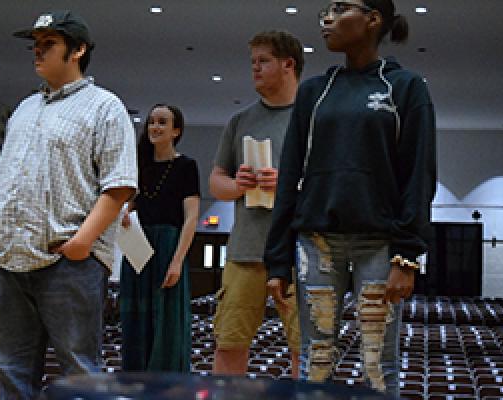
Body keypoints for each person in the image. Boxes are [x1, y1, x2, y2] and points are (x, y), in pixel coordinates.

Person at [264, 0, 436, 396]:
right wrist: (276, 259)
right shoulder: (313, 92)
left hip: (381, 244)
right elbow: (290, 174)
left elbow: (419, 173)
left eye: (340, 8)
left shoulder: (406, 87)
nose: (326, 17)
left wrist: (408, 254)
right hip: (316, 241)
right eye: (326, 9)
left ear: (373, 19)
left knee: (379, 363)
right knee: (315, 358)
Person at [0, 10, 137, 399]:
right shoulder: (22, 109)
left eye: (48, 43)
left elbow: (118, 187)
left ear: (78, 49)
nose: (37, 50)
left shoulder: (106, 107)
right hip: (10, 257)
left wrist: (82, 244)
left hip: (69, 261)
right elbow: (3, 177)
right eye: (35, 43)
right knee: (9, 367)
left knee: (79, 370)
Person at [210, 31, 304, 377]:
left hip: (299, 252)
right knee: (229, 343)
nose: (255, 69)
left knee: (304, 349)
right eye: (252, 62)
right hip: (245, 251)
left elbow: (332, 187)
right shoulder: (240, 121)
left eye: (263, 61)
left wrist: (291, 185)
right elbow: (216, 182)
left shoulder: (313, 119)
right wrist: (237, 185)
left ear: (288, 65)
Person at [120, 104, 200, 372]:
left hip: (168, 244)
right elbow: (130, 202)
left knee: (166, 320)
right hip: (138, 246)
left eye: (162, 122)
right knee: (135, 320)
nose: (154, 127)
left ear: (176, 130)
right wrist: (125, 212)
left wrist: (177, 261)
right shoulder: (137, 164)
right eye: (152, 121)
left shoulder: (186, 166)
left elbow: (191, 217)